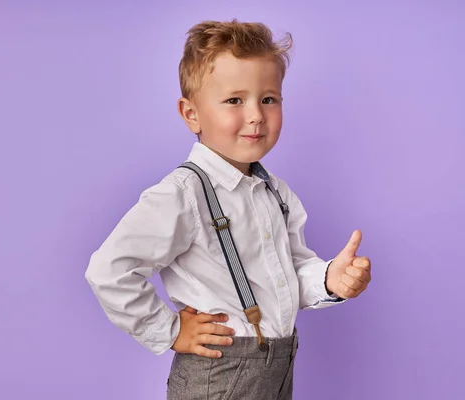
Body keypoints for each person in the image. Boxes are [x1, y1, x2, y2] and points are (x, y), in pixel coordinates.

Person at [85, 19, 372, 400]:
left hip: (279, 367)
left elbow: (288, 275)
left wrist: (329, 279)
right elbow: (108, 270)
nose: (255, 114)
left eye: (268, 99)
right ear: (191, 114)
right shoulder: (182, 195)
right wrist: (169, 330)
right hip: (219, 373)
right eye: (235, 100)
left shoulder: (276, 192)